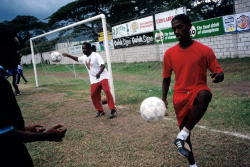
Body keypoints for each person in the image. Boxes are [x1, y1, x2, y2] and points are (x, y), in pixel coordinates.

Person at [162, 14, 224, 167]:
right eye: (174, 28)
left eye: (179, 27)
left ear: (189, 27)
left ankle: (181, 135)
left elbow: (219, 72)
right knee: (185, 139)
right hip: (179, 98)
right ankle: (192, 164)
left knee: (205, 94)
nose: (176, 31)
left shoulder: (205, 50)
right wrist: (163, 99)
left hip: (197, 91)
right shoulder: (169, 53)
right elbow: (166, 78)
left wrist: (219, 76)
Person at [0, 27, 67, 167]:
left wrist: (23, 128)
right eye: (16, 49)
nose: (20, 54)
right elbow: (4, 134)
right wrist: (47, 136)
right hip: (8, 153)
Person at [62, 42, 117, 119]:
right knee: (93, 95)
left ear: (89, 48)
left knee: (107, 91)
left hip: (103, 76)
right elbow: (77, 59)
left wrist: (98, 73)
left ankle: (113, 109)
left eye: (85, 48)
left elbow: (103, 65)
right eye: (82, 49)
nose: (83, 50)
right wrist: (69, 56)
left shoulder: (96, 55)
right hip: (94, 80)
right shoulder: (84, 57)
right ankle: (100, 110)